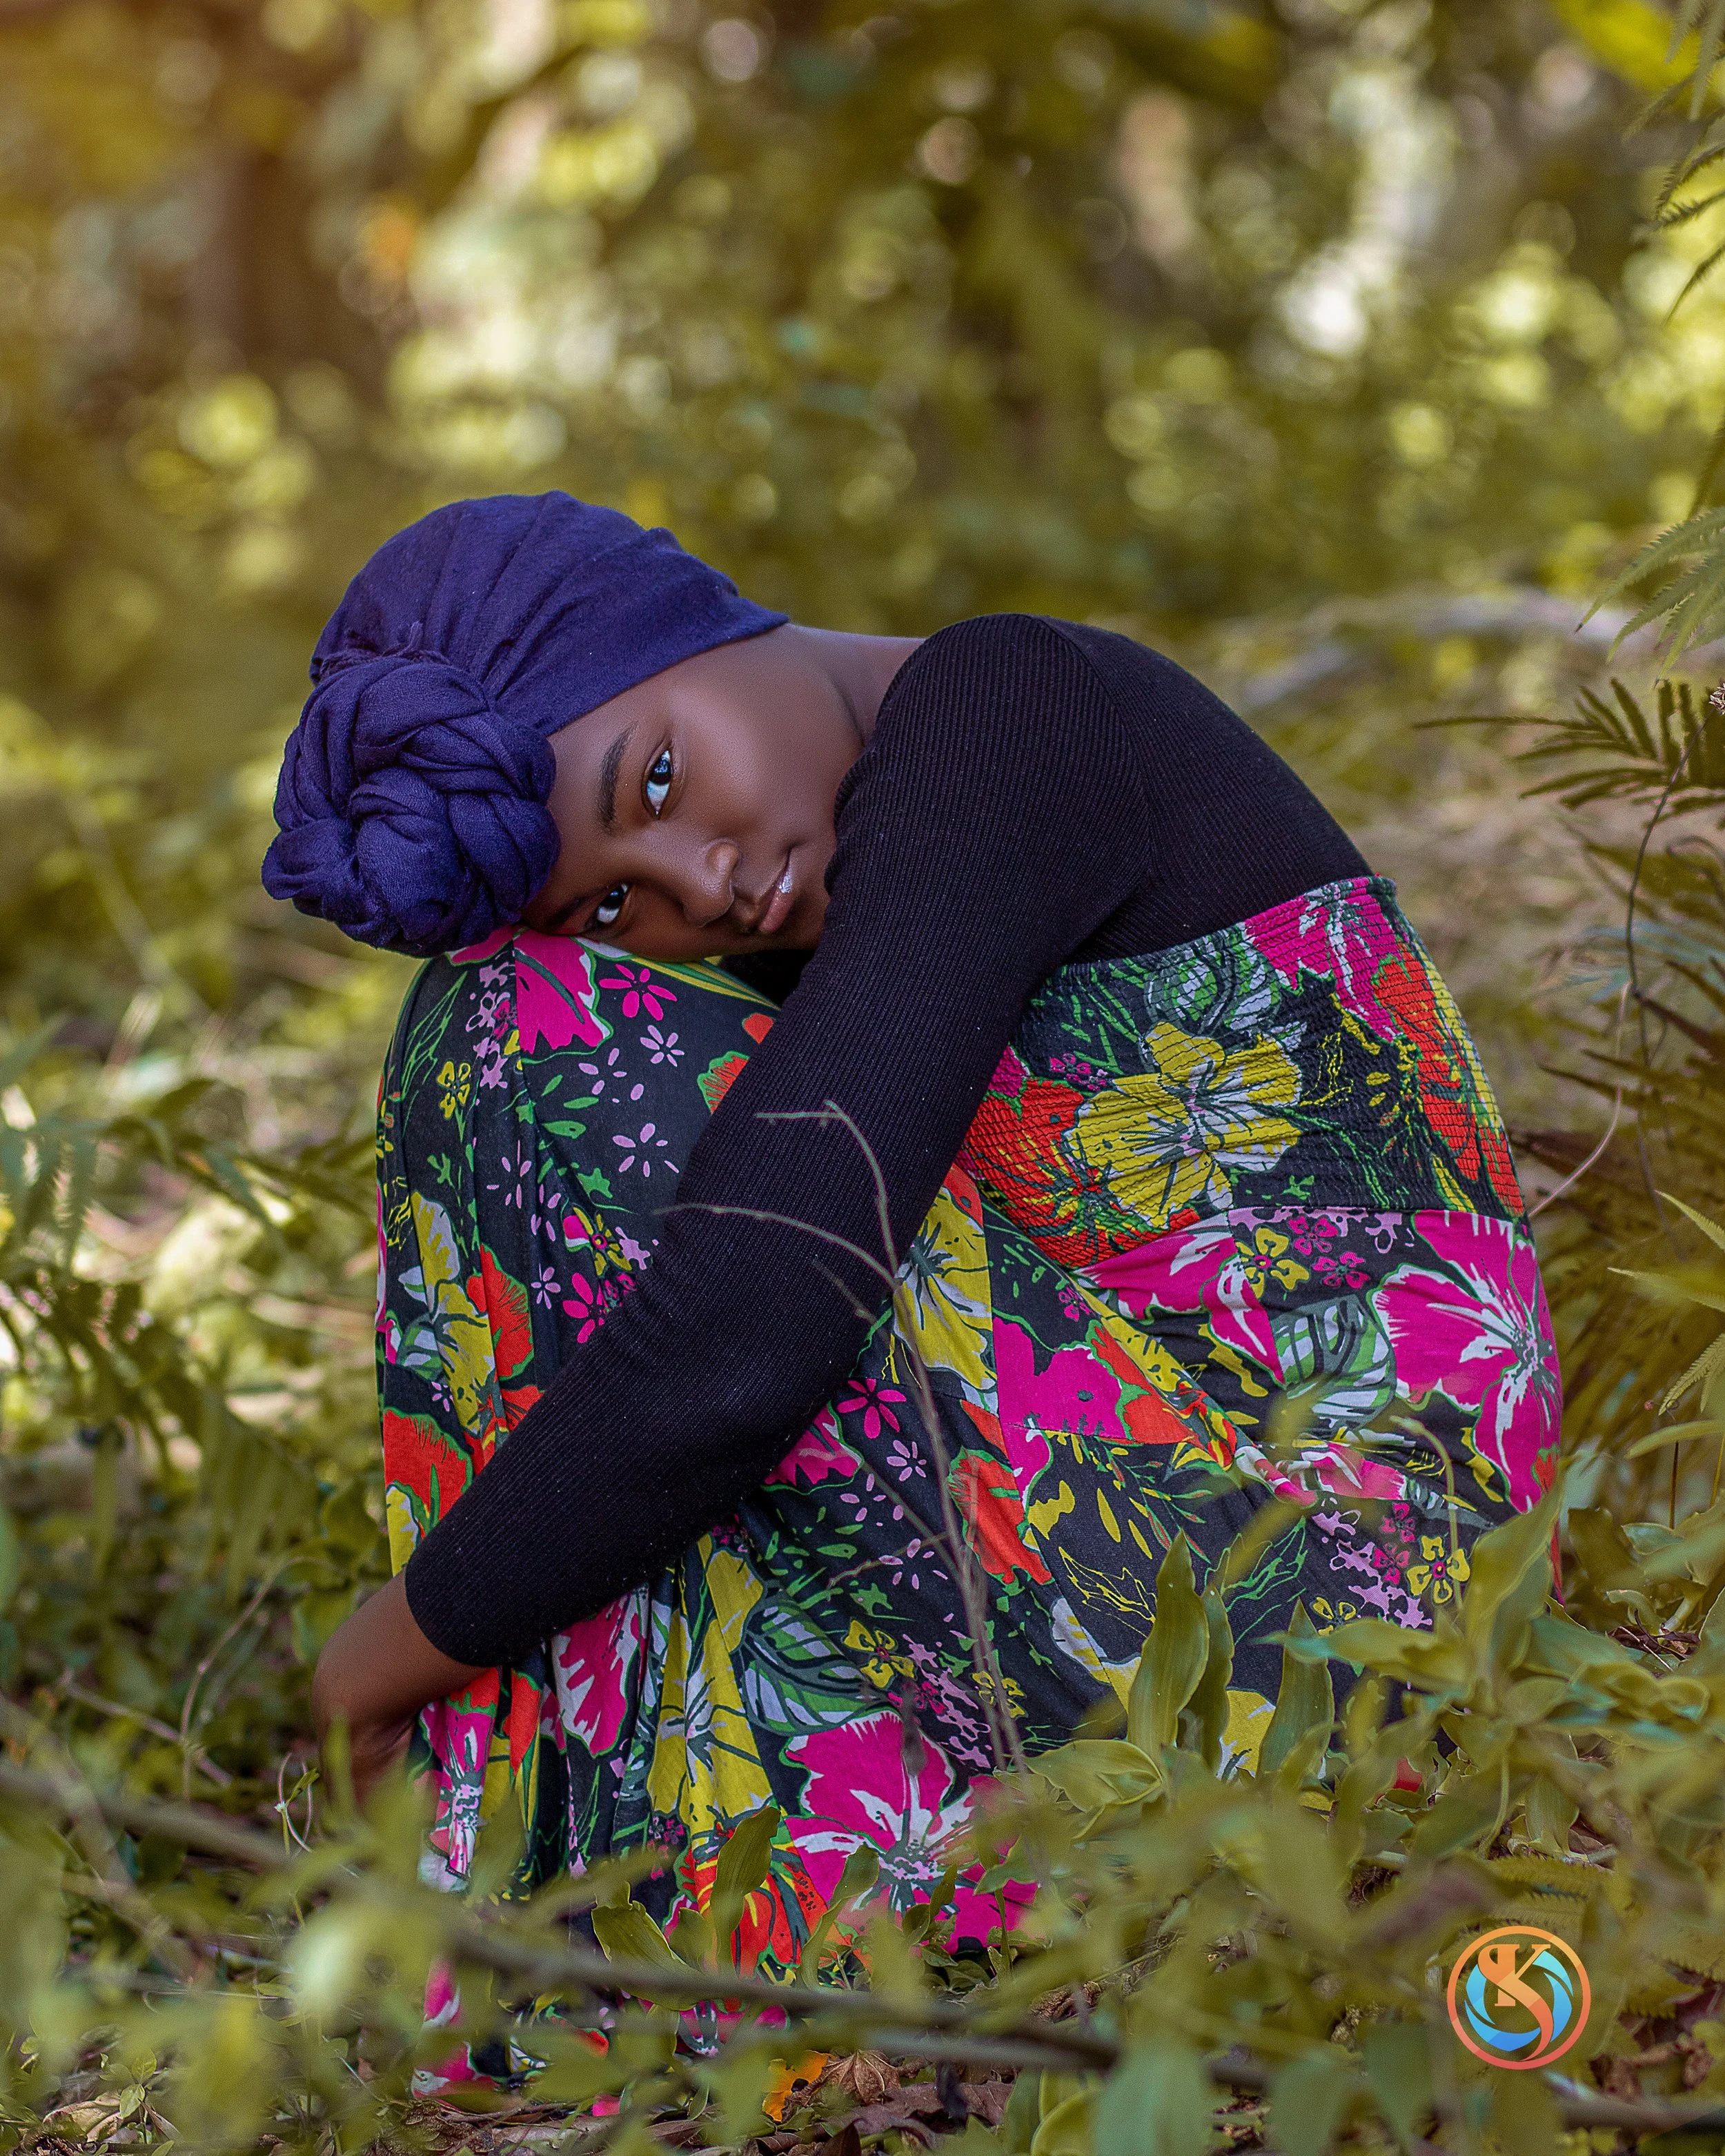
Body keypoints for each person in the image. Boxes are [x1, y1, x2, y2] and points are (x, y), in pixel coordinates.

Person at [272, 492, 1558, 1966]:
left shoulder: (1009, 702)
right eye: (618, 898)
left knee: (518, 1025)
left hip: (1364, 1622)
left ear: (695, 620)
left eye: (661, 778)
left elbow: (754, 1320)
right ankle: (668, 1897)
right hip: (1206, 1591)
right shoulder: (819, 899)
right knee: (504, 1000)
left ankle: (519, 1874)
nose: (702, 880)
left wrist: (376, 1663)